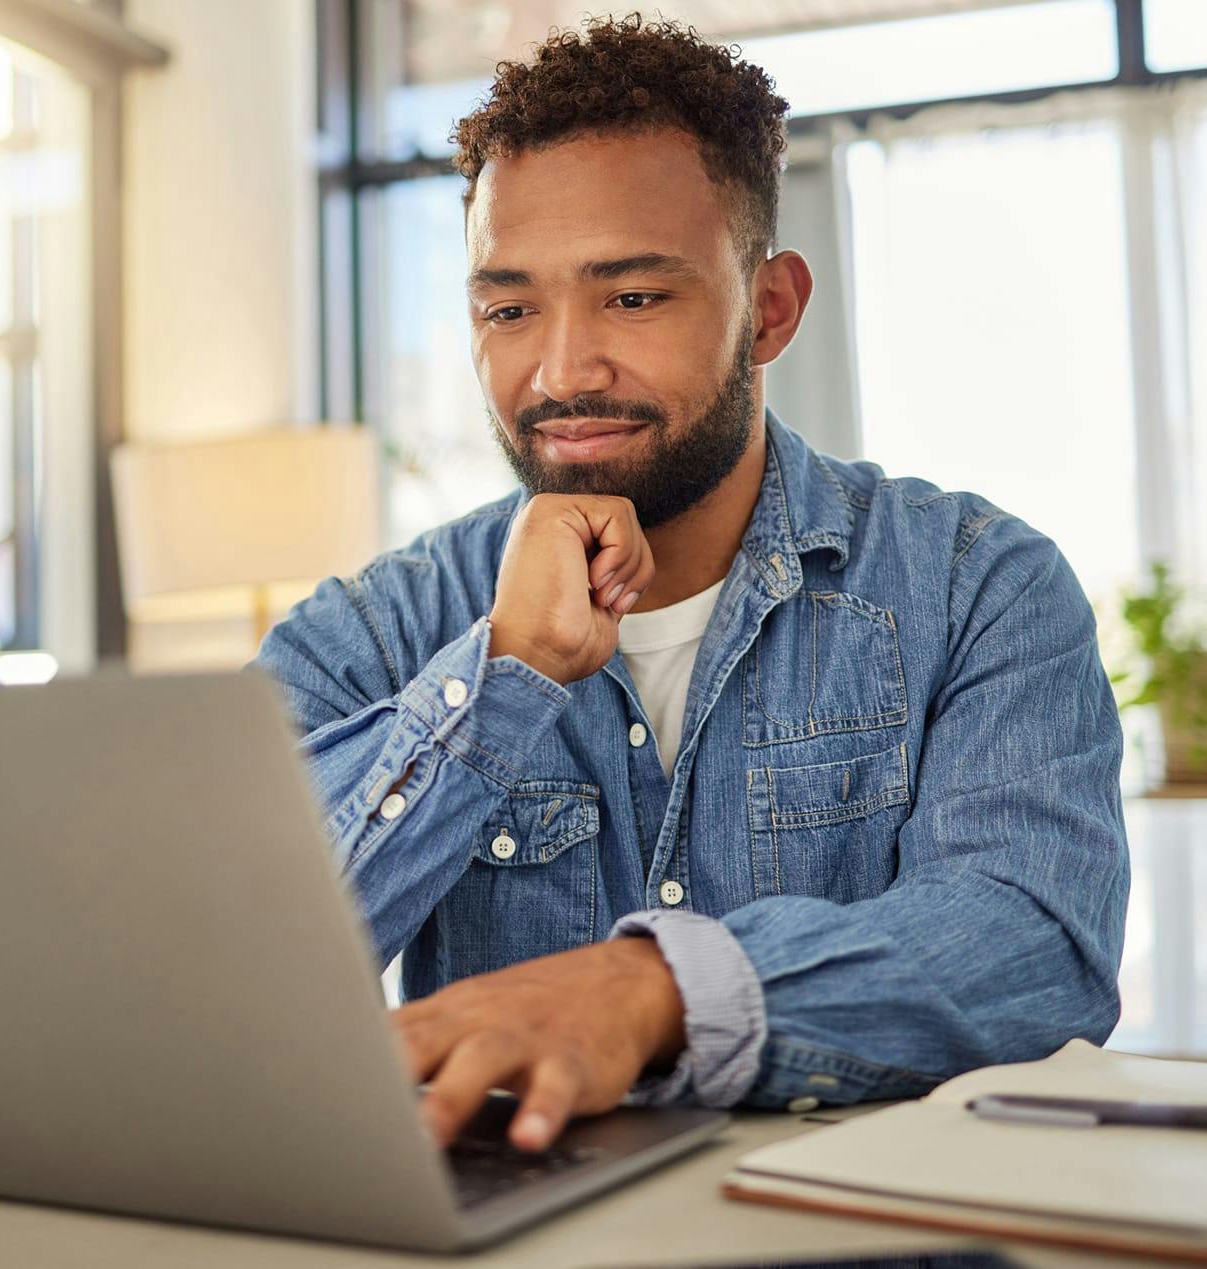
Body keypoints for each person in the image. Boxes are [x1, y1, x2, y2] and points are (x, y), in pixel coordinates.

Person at [256, 13, 1129, 1156]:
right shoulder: (371, 632)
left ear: (767, 309)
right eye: (508, 307)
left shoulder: (976, 585)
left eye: (631, 298)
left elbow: (1032, 948)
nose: (561, 368)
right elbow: (228, 975)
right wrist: (498, 680)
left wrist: (651, 994)